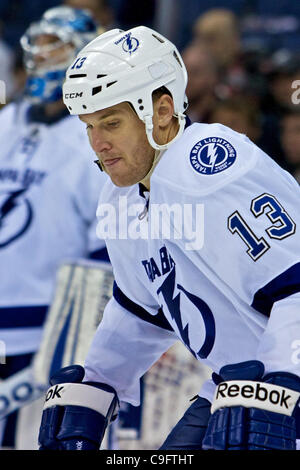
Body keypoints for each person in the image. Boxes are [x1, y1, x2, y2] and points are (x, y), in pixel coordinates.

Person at [38, 26, 300, 451]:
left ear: (161, 112)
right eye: (89, 126)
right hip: (236, 387)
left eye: (111, 122)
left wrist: (283, 387)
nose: (98, 143)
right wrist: (99, 384)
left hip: (276, 385)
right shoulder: (123, 194)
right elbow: (142, 310)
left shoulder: (209, 165)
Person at [0, 6, 108, 448]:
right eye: (38, 47)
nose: (42, 57)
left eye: (54, 47)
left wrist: (67, 345)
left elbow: (105, 254)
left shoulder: (95, 138)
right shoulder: (5, 122)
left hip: (44, 333)